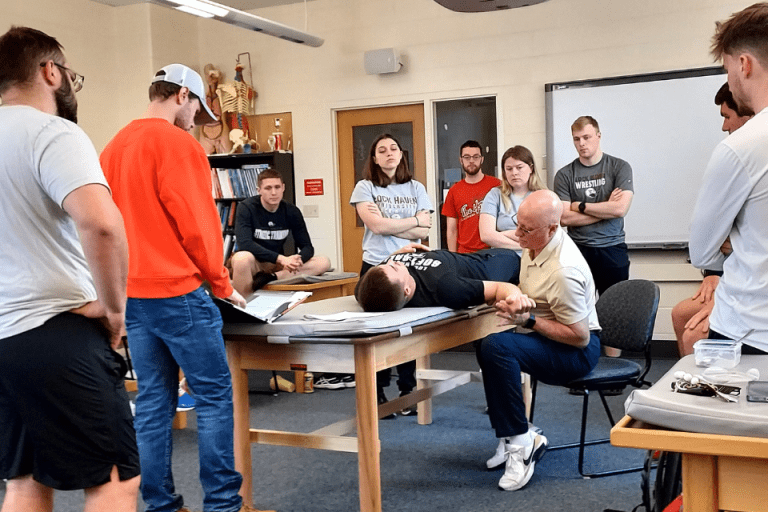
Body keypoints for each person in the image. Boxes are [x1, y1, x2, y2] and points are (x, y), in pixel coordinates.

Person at [100, 63, 272, 512]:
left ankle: (161, 505)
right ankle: (221, 506)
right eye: (196, 106)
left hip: (133, 295)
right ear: (181, 95)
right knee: (214, 396)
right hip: (179, 294)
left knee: (154, 402)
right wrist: (222, 285)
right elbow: (198, 228)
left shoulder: (113, 147)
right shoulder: (179, 145)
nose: (196, 118)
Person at [0, 26, 140, 512]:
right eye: (70, 76)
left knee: (25, 480)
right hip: (56, 330)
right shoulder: (51, 131)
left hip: (4, 341)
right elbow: (101, 226)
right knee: (114, 480)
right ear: (50, 72)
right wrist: (114, 308)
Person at [477, 190, 601, 491]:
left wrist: (529, 320)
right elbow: (528, 289)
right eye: (518, 224)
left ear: (552, 229)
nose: (517, 234)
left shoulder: (564, 270)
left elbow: (580, 337)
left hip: (577, 352)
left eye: (526, 230)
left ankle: (522, 442)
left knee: (498, 347)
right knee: (485, 342)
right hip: (548, 336)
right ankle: (511, 436)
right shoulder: (534, 244)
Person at [689, 3, 768, 353]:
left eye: (726, 67)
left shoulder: (740, 147)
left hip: (749, 332)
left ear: (744, 64)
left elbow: (703, 250)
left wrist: (735, 236)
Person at [349, 133, 433, 410]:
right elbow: (376, 227)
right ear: (374, 158)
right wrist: (412, 222)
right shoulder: (365, 187)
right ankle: (378, 389)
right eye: (381, 150)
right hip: (376, 265)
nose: (388, 153)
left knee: (408, 329)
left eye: (393, 148)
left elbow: (426, 229)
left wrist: (391, 222)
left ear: (401, 154)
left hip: (409, 265)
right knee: (378, 332)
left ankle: (407, 388)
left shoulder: (416, 188)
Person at [671, 82, 752, 356]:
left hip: (749, 289)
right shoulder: (734, 157)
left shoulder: (740, 155)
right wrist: (714, 273)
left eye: (727, 117)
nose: (724, 128)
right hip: (731, 276)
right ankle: (691, 391)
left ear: (747, 115)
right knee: (682, 313)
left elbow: (735, 240)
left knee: (695, 331)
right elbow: (719, 237)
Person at [554, 116, 632, 359]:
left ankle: (613, 366)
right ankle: (584, 363)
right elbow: (565, 219)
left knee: (612, 310)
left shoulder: (619, 167)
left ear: (598, 136)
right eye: (576, 139)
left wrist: (582, 206)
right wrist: (604, 207)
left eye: (587, 137)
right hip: (578, 250)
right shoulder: (565, 174)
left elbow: (620, 210)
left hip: (612, 248)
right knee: (580, 309)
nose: (581, 143)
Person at [230, 168, 331, 296]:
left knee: (324, 261)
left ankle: (272, 278)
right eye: (268, 188)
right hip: (254, 263)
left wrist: (297, 260)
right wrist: (281, 259)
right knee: (241, 258)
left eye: (277, 187)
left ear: (283, 188)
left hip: (277, 266)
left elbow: (307, 247)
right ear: (259, 190)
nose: (273, 192)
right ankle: (245, 307)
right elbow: (245, 244)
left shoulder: (291, 211)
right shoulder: (246, 208)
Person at [354, 246, 521, 312]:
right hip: (496, 262)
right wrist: (517, 298)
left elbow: (385, 266)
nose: (394, 261)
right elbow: (501, 288)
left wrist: (398, 252)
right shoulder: (446, 288)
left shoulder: (366, 287)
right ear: (407, 290)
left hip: (467, 256)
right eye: (394, 267)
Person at [479, 145, 546, 254]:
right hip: (503, 258)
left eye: (519, 167)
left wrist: (501, 234)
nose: (514, 173)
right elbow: (486, 235)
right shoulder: (494, 195)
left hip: (536, 259)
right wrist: (524, 247)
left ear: (531, 168)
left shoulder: (543, 196)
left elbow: (543, 237)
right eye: (509, 169)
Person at [442, 140, 501, 253]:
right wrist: (454, 258)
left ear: (482, 159)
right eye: (467, 157)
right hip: (465, 255)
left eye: (476, 157)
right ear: (461, 160)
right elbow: (452, 230)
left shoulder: (497, 185)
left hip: (492, 252)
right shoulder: (454, 191)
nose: (471, 161)